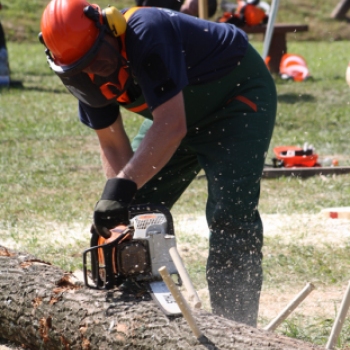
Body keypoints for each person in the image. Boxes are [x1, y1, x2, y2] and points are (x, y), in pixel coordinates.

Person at [39, 0, 277, 327]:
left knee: (231, 213)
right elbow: (111, 141)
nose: (93, 74)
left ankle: (236, 327)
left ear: (111, 30)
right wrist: (121, 206)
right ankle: (139, 324)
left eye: (99, 61)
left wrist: (122, 189)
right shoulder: (87, 75)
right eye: (82, 71)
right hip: (175, 116)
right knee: (131, 212)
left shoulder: (146, 31)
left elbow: (171, 126)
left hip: (235, 100)